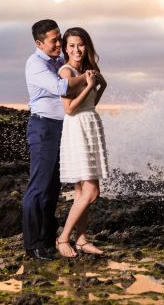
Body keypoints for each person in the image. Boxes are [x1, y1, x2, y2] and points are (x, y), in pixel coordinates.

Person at [23, 19, 89, 260]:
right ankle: (33, 245)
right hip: (44, 129)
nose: (59, 44)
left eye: (60, 38)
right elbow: (61, 87)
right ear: (39, 43)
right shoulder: (35, 64)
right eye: (54, 40)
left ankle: (47, 239)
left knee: (52, 189)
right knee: (38, 188)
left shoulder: (58, 60)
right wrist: (87, 78)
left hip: (63, 129)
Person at [55, 27, 108, 257]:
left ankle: (82, 238)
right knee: (92, 191)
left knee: (81, 192)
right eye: (72, 45)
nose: (77, 49)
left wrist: (100, 85)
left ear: (87, 46)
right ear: (65, 48)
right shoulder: (66, 72)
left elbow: (89, 104)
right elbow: (68, 109)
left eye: (81, 44)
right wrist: (88, 85)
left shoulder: (88, 69)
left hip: (89, 124)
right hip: (76, 127)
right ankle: (63, 238)